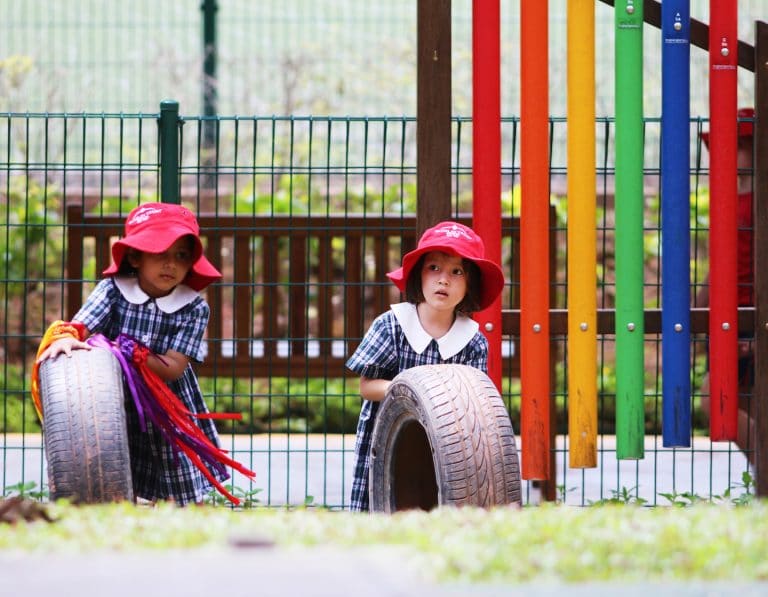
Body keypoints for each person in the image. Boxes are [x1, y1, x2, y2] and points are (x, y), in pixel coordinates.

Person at [34, 202, 250, 505]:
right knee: (116, 454)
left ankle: (184, 509)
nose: (171, 264)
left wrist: (132, 354)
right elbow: (80, 327)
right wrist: (65, 338)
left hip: (166, 402)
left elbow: (174, 367)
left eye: (181, 256)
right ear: (135, 257)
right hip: (110, 397)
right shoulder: (112, 290)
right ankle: (121, 506)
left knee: (173, 465)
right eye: (160, 253)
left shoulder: (193, 307)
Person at [345, 221, 505, 511]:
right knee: (385, 506)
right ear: (419, 274)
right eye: (434, 268)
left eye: (457, 272)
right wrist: (415, 393)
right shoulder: (392, 326)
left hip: (448, 445)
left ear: (470, 284)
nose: (444, 280)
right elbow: (367, 387)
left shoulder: (473, 341)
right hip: (390, 440)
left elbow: (473, 403)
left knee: (439, 503)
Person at [698, 107, 756, 464]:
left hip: (747, 316)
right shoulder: (729, 200)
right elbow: (718, 265)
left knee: (714, 398)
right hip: (726, 315)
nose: (728, 154)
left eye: (738, 146)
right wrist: (697, 308)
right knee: (740, 401)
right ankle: (761, 479)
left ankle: (763, 467)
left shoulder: (758, 203)